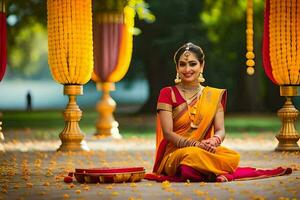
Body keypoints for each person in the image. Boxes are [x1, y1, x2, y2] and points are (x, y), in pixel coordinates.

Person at [145, 42, 292, 182]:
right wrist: (195, 145)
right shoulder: (167, 93)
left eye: (193, 64)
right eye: (182, 64)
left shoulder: (214, 95)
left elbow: (220, 130)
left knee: (232, 156)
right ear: (177, 68)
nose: (187, 69)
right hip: (175, 154)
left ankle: (204, 171)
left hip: (203, 151)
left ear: (202, 66)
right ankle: (212, 171)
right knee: (192, 156)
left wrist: (213, 141)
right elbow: (168, 133)